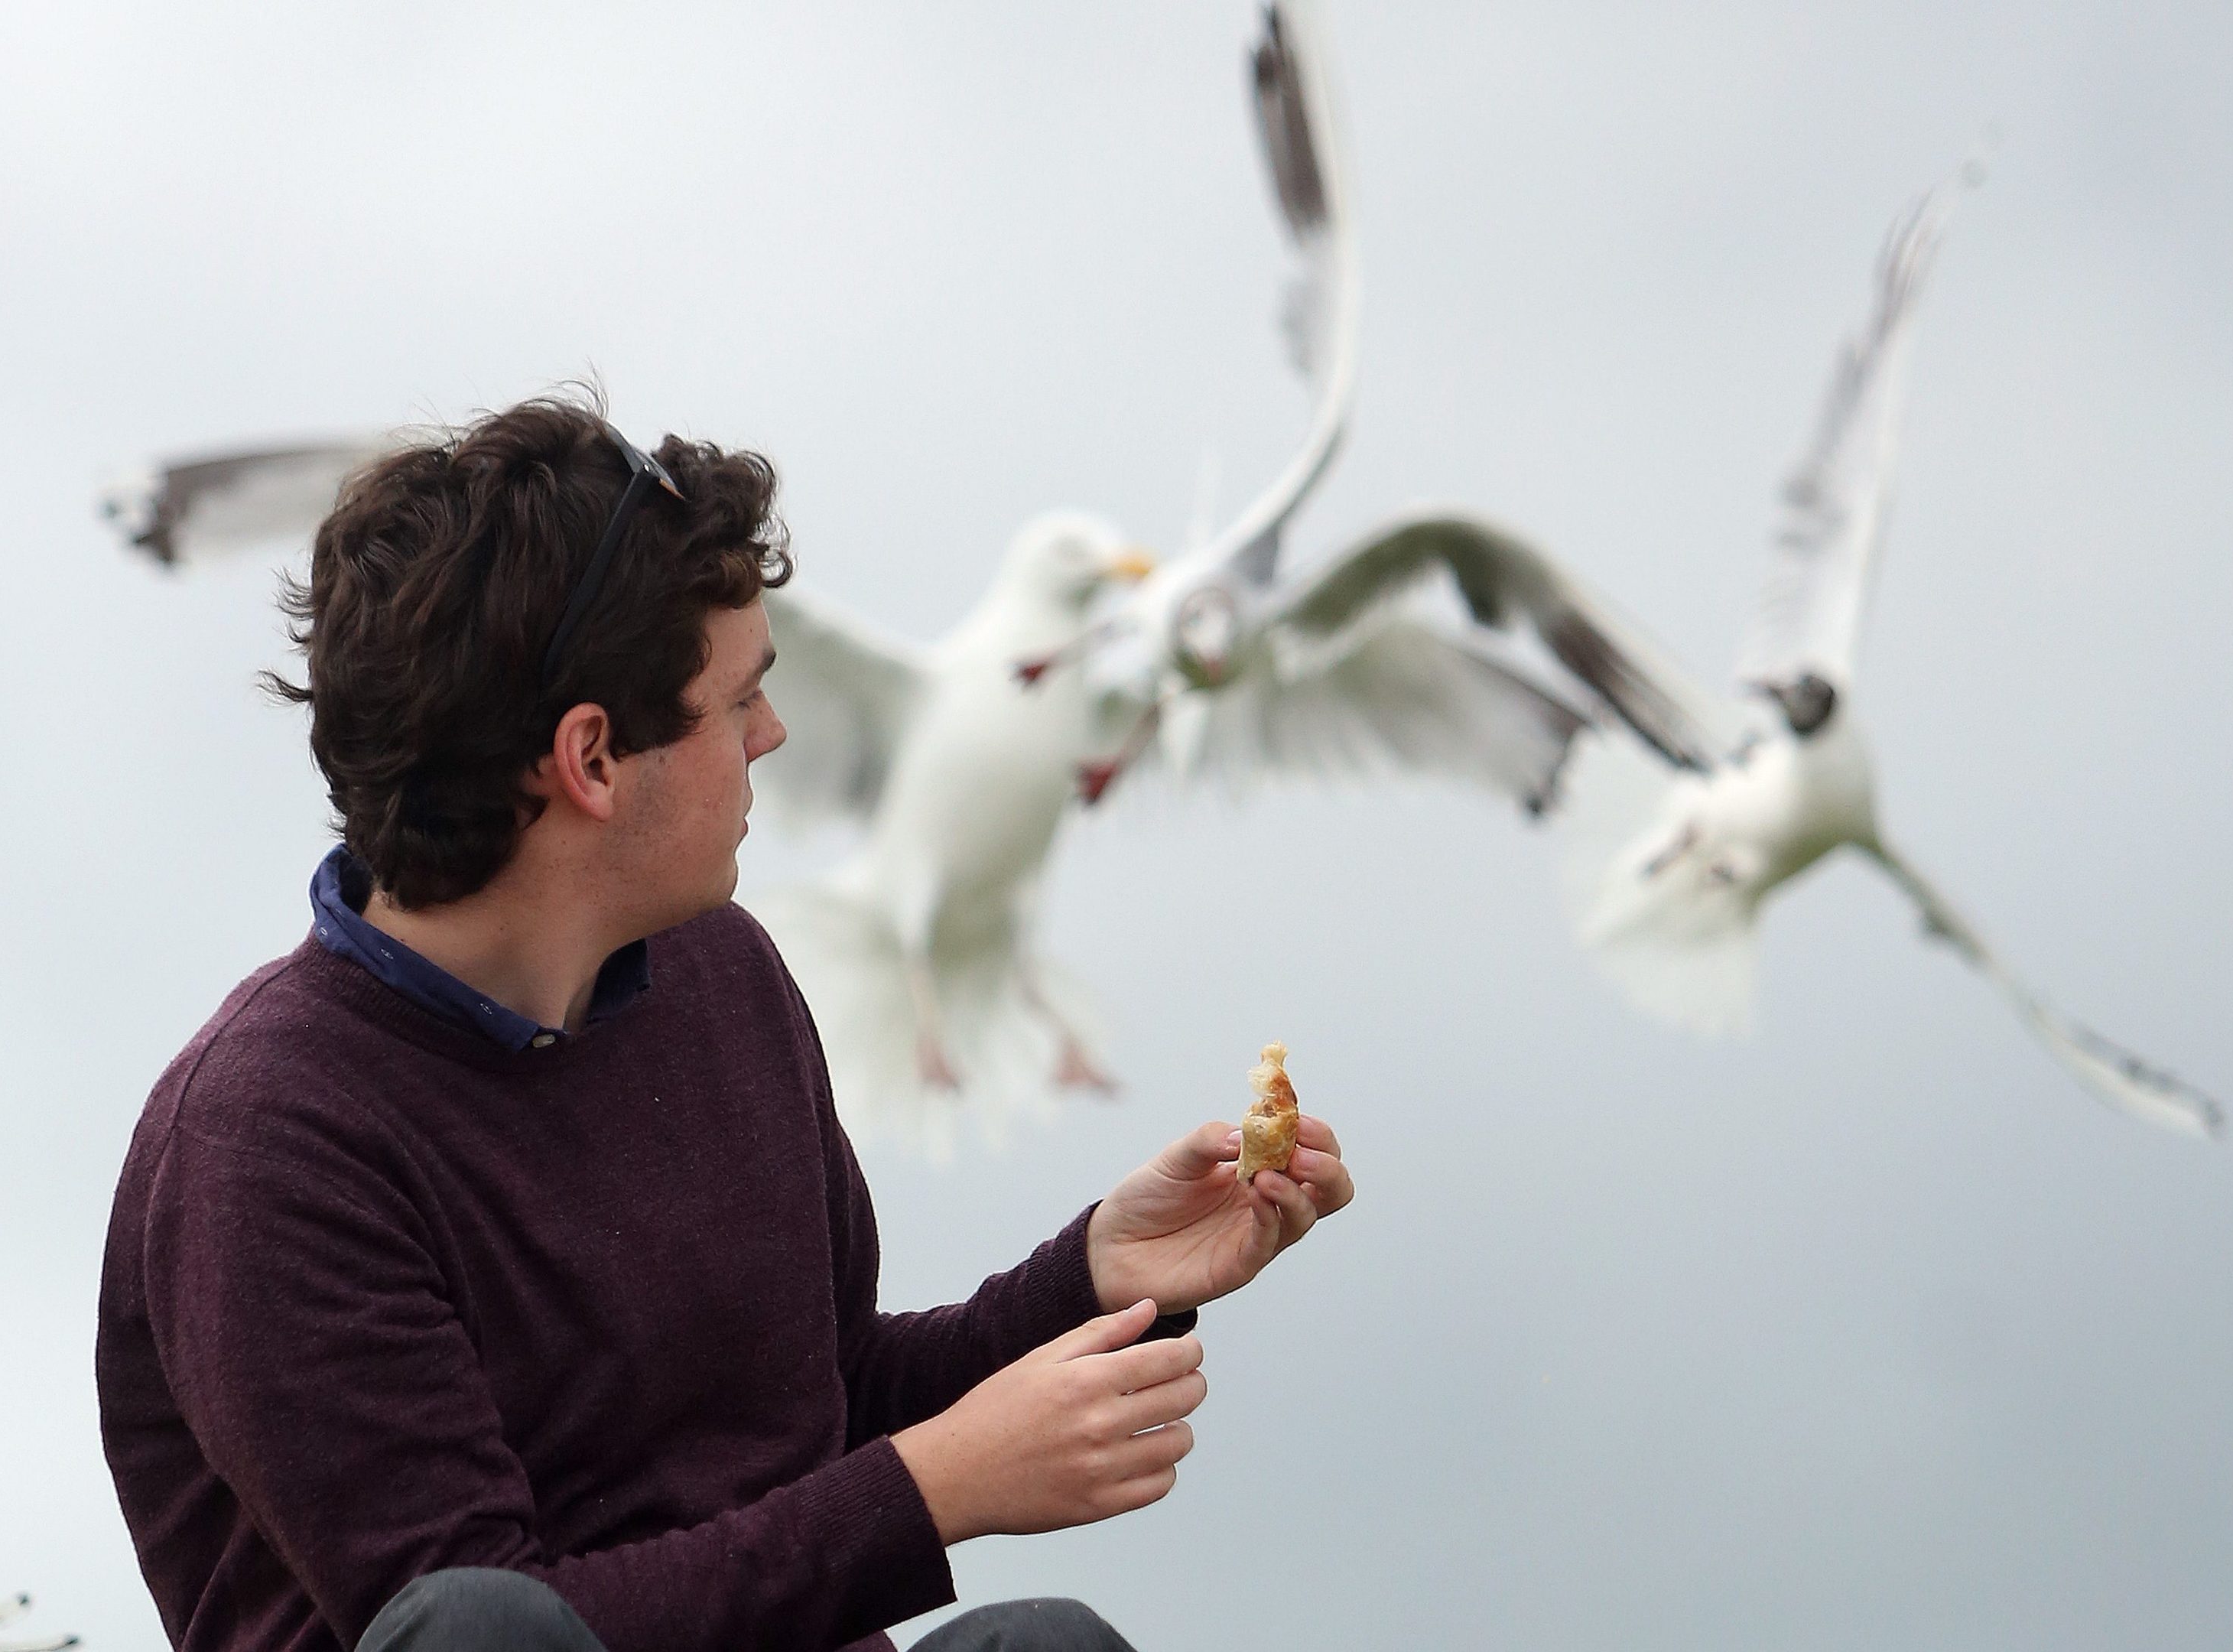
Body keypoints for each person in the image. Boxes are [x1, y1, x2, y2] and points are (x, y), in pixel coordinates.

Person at [95, 392, 1354, 1652]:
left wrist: (1088, 1280)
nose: (773, 733)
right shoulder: (265, 1142)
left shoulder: (722, 974)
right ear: (590, 761)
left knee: (1041, 1650)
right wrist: (930, 1496)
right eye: (738, 699)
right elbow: (482, 1623)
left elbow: (820, 1406)